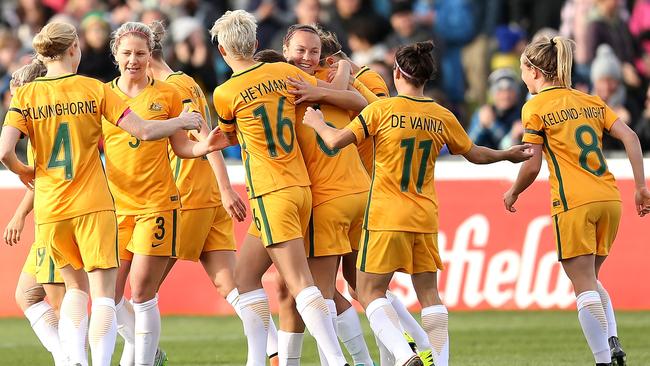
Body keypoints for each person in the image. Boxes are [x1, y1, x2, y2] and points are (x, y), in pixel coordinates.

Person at [301, 41, 533, 366]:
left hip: (385, 216)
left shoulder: (381, 111)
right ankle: (439, 362)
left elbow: (336, 141)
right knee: (430, 297)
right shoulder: (441, 115)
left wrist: (317, 123)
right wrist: (506, 155)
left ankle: (403, 352)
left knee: (368, 292)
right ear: (425, 78)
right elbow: (474, 153)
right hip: (424, 216)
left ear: (397, 73)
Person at [0, 22, 205, 366]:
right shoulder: (95, 89)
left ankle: (75, 361)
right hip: (94, 205)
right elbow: (142, 129)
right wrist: (180, 123)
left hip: (51, 208)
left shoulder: (25, 95)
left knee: (73, 292)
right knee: (104, 296)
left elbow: (5, 151)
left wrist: (24, 173)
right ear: (73, 50)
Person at [210, 10, 349, 366]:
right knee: (245, 276)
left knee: (301, 285)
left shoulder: (225, 93)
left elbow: (226, 136)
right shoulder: (286, 73)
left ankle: (336, 360)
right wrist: (345, 68)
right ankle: (260, 359)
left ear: (223, 51)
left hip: (271, 191)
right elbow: (332, 93)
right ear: (256, 44)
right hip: (299, 187)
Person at [503, 35, 650, 366]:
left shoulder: (535, 107)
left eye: (522, 70)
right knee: (592, 280)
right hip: (609, 198)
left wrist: (513, 191)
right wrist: (640, 186)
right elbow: (630, 136)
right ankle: (612, 339)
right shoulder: (590, 100)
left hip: (573, 201)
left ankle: (603, 359)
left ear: (533, 70)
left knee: (583, 286)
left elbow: (533, 164)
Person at [146, 21, 281, 366]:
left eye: (133, 57)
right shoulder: (178, 83)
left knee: (136, 292)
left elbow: (207, 137)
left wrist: (224, 188)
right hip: (205, 194)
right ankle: (274, 350)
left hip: (187, 195)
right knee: (231, 285)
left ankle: (147, 354)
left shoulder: (173, 87)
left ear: (146, 57)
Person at [103, 21, 228, 366]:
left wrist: (203, 147)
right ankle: (151, 353)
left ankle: (144, 361)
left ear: (151, 55)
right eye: (127, 53)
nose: (133, 60)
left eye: (140, 53)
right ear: (115, 54)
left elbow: (182, 149)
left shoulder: (168, 94)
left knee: (142, 293)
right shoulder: (102, 96)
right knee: (109, 297)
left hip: (158, 204)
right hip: (117, 208)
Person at [319, 29, 436, 366]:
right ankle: (414, 345)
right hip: (372, 191)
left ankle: (411, 345)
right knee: (362, 287)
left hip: (367, 188)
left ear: (328, 61)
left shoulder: (356, 84)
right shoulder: (369, 75)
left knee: (356, 288)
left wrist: (329, 85)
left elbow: (367, 109)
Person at [279, 23, 372, 366]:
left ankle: (354, 361)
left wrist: (327, 85)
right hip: (340, 192)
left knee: (322, 290)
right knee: (338, 288)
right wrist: (342, 71)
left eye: (314, 51)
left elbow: (361, 101)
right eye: (300, 50)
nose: (307, 57)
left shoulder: (314, 83)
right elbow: (357, 99)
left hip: (318, 196)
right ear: (285, 49)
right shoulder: (305, 81)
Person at [4, 61, 66, 366]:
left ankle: (72, 359)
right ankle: (65, 356)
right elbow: (41, 178)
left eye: (17, 92)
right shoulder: (48, 125)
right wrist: (19, 215)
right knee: (27, 294)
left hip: (57, 219)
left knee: (65, 304)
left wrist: (19, 169)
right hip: (51, 218)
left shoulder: (42, 129)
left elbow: (7, 155)